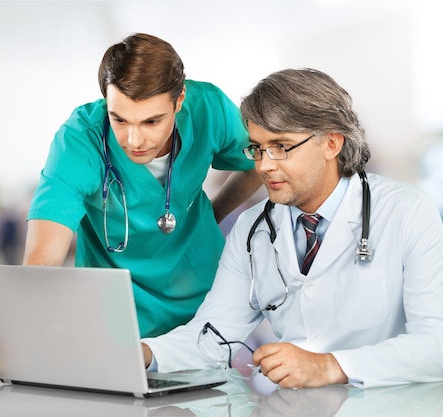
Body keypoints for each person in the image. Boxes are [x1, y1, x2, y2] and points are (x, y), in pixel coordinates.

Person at [0, 33, 261, 391]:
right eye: (119, 120)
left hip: (200, 301)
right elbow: (41, 261)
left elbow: (259, 160)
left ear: (179, 101)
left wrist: (215, 212)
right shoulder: (79, 141)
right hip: (114, 313)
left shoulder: (209, 109)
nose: (134, 140)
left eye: (151, 122)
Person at [141, 68, 443, 389]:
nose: (264, 165)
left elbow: (436, 345)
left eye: (281, 146)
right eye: (257, 148)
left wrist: (330, 366)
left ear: (331, 144)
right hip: (294, 406)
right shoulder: (251, 228)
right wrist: (138, 353)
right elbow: (211, 337)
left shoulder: (407, 211)